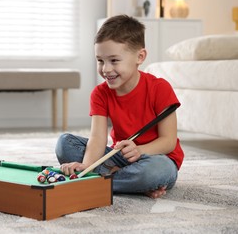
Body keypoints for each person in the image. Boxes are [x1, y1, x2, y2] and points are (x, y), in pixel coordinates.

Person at [55, 15, 184, 199]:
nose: (106, 69)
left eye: (114, 60)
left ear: (140, 57)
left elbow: (168, 141)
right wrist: (87, 164)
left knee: (155, 171)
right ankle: (128, 183)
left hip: (155, 157)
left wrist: (140, 150)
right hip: (119, 157)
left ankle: (99, 181)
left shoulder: (160, 88)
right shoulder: (100, 93)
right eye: (100, 60)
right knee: (65, 143)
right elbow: (98, 138)